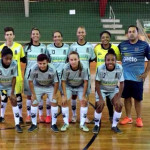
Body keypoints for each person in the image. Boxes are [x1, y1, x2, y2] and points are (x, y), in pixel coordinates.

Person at [119, 25, 150, 127]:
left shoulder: (144, 45)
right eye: (129, 31)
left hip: (138, 78)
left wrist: (146, 73)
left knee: (138, 99)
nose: (131, 33)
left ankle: (139, 118)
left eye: (133, 31)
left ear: (137, 33)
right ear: (127, 34)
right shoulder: (122, 45)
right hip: (125, 78)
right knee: (126, 98)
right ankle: (128, 117)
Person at [93, 49, 124, 134]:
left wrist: (119, 98)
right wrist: (100, 98)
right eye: (108, 60)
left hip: (113, 89)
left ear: (116, 61)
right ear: (105, 61)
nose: (110, 62)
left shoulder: (119, 68)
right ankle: (96, 125)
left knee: (119, 105)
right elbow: (97, 83)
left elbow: (122, 83)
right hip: (102, 89)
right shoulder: (100, 68)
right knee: (100, 105)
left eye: (113, 60)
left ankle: (114, 125)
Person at [69, 26, 95, 123]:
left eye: (82, 32)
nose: (81, 34)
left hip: (86, 76)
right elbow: (69, 60)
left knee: (85, 96)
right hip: (74, 76)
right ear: (77, 34)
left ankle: (85, 116)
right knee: (74, 96)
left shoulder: (89, 46)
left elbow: (91, 59)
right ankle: (74, 115)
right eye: (79, 32)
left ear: (85, 33)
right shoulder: (72, 46)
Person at [0, 27, 26, 124]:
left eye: (11, 34)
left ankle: (19, 117)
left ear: (13, 36)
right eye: (7, 34)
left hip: (17, 77)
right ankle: (1, 116)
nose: (9, 36)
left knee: (18, 97)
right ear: (5, 36)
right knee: (4, 97)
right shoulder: (1, 48)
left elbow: (24, 59)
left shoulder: (19, 47)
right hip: (4, 77)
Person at [94, 31, 121, 122]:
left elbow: (118, 59)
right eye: (103, 37)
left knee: (110, 99)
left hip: (111, 78)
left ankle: (111, 115)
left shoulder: (115, 48)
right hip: (100, 78)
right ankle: (97, 118)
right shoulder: (97, 48)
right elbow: (94, 58)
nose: (105, 39)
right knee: (98, 99)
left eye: (107, 37)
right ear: (100, 39)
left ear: (110, 38)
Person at [27, 54, 59, 132]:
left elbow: (56, 82)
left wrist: (54, 94)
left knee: (54, 101)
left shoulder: (53, 69)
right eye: (40, 63)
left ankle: (54, 124)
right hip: (38, 86)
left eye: (44, 63)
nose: (42, 66)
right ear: (37, 62)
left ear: (47, 62)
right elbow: (30, 81)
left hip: (49, 86)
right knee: (34, 102)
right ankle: (34, 124)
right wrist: (33, 94)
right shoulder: (33, 68)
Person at [61, 51, 90, 132]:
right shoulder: (65, 68)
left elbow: (85, 82)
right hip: (69, 86)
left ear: (78, 59)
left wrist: (84, 96)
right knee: (64, 101)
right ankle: (66, 123)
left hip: (80, 85)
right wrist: (64, 95)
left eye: (75, 59)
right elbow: (63, 81)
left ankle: (82, 124)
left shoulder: (84, 68)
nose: (73, 61)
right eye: (71, 59)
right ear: (69, 60)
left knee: (84, 101)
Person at [24, 27, 47, 124]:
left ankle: (41, 115)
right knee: (29, 96)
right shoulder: (27, 47)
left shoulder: (44, 47)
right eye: (33, 34)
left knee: (40, 95)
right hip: (28, 75)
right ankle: (29, 115)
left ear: (39, 35)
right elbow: (23, 60)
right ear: (31, 35)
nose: (35, 35)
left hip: (40, 75)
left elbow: (46, 60)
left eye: (37, 34)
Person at [47, 31, 69, 123]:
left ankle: (66, 118)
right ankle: (49, 116)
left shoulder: (67, 47)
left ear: (61, 38)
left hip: (63, 76)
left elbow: (69, 60)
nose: (57, 38)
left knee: (64, 97)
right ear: (53, 38)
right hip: (52, 77)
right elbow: (47, 61)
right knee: (51, 97)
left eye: (59, 36)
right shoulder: (48, 47)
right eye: (55, 37)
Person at [0, 46, 23, 132]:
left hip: (9, 85)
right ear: (2, 57)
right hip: (0, 85)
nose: (8, 61)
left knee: (14, 101)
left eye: (10, 58)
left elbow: (14, 78)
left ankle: (17, 124)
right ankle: (1, 117)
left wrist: (12, 93)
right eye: (6, 59)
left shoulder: (14, 63)